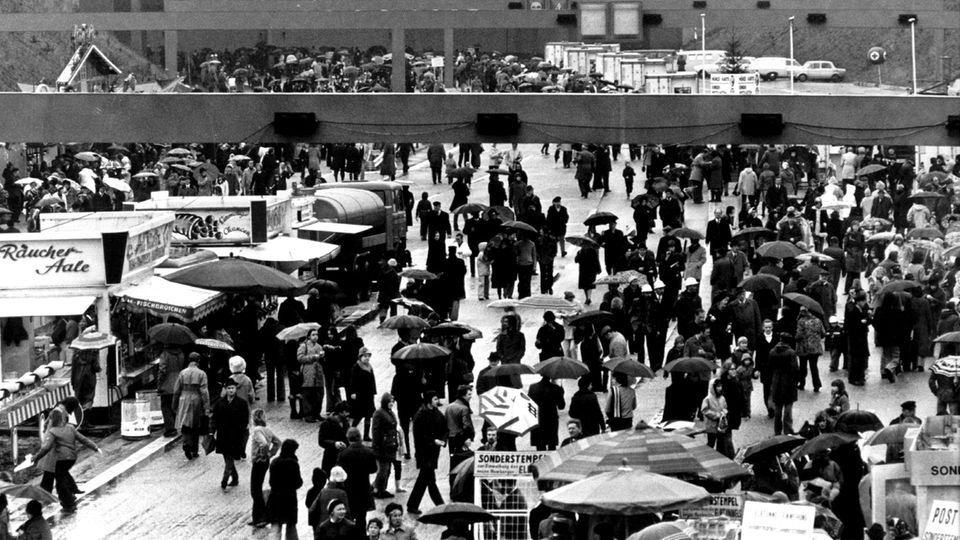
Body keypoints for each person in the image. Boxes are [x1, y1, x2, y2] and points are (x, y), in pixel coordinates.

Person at [33, 411, 100, 513]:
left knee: (60, 483)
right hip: (72, 458)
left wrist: (36, 457)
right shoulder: (70, 427)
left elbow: (46, 448)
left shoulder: (52, 431)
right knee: (62, 477)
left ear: (52, 420)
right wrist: (95, 447)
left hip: (61, 458)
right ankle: (71, 494)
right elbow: (83, 439)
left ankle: (69, 504)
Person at [407, 391, 447, 514]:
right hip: (424, 454)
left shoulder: (437, 413)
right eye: (435, 399)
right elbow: (418, 437)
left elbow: (444, 428)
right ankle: (440, 506)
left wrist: (443, 440)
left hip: (433, 452)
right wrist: (433, 441)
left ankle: (412, 504)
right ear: (429, 400)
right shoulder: (420, 415)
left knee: (424, 480)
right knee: (430, 480)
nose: (437, 401)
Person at [211, 378, 250, 490]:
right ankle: (235, 478)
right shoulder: (220, 403)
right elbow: (214, 419)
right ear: (225, 389)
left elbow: (244, 419)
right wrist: (211, 432)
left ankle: (225, 478)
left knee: (230, 457)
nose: (231, 390)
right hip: (223, 435)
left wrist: (241, 433)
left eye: (233, 388)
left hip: (235, 435)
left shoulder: (241, 403)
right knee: (226, 456)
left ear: (236, 389)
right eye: (229, 388)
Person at [173, 352, 211, 460]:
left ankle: (186, 442)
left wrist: (174, 404)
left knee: (185, 424)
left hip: (183, 398)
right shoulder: (202, 374)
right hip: (196, 399)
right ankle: (194, 450)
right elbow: (204, 391)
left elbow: (176, 390)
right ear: (198, 361)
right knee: (195, 425)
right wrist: (207, 406)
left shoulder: (182, 373)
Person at [338, 427, 377, 526]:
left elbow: (340, 473)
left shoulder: (343, 454)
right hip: (363, 488)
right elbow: (374, 469)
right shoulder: (368, 452)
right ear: (359, 437)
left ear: (348, 438)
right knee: (361, 518)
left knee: (350, 517)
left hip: (349, 489)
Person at [249, 409, 281, 528]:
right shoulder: (267, 430)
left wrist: (263, 455)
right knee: (257, 487)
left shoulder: (257, 430)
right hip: (265, 462)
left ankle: (261, 516)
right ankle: (256, 517)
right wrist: (271, 454)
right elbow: (277, 442)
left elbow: (264, 444)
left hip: (258, 462)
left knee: (255, 489)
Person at [267, 439, 304, 540]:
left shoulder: (274, 462)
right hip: (289, 499)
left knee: (275, 527)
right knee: (291, 527)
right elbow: (298, 482)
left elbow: (271, 482)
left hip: (275, 498)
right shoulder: (293, 463)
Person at [769, 333, 800, 435]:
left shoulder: (773, 351)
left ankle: (777, 430)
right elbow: (794, 368)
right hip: (788, 381)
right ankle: (787, 429)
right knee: (788, 406)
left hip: (776, 380)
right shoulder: (791, 353)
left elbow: (770, 366)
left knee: (778, 406)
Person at [371, 393, 401, 499]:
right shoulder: (379, 413)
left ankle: (380, 488)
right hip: (382, 446)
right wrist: (376, 446)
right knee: (383, 470)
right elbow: (375, 431)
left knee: (387, 470)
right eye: (389, 402)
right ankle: (378, 490)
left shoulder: (390, 412)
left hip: (390, 446)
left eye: (392, 402)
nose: (391, 404)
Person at [528, 375, 565, 451]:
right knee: (552, 446)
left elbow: (529, 404)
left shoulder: (533, 387)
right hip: (551, 420)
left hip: (537, 419)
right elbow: (561, 406)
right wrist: (561, 392)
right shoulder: (555, 388)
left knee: (540, 447)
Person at [297, 329, 326, 423]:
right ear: (309, 336)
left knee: (319, 394)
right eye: (313, 334)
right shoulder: (304, 346)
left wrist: (322, 357)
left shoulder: (319, 346)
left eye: (317, 334)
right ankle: (308, 415)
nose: (315, 336)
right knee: (308, 394)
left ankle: (316, 413)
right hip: (308, 373)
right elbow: (300, 358)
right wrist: (314, 357)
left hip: (318, 373)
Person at [795, 307, 826, 392]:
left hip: (803, 348)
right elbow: (823, 333)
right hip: (815, 348)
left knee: (802, 367)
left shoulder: (801, 321)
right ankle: (817, 385)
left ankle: (802, 384)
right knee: (814, 367)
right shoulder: (817, 320)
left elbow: (798, 335)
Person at [157, 344, 185, 437]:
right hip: (179, 382)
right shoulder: (181, 353)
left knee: (165, 406)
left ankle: (170, 429)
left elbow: (162, 370)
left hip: (167, 384)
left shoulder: (164, 354)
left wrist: (159, 383)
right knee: (174, 405)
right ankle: (176, 425)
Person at [701, 378, 732, 457]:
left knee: (721, 444)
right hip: (711, 426)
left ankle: (719, 456)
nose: (719, 388)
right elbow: (704, 410)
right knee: (711, 443)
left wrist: (724, 412)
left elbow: (725, 407)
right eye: (718, 386)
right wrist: (716, 415)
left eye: (720, 386)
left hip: (720, 426)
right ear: (713, 387)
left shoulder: (722, 398)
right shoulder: (708, 399)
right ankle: (706, 456)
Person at [318, 402, 350, 474]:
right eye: (346, 412)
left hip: (342, 458)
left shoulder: (345, 422)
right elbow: (321, 441)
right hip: (330, 457)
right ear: (340, 412)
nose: (347, 415)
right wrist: (334, 444)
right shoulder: (326, 424)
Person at [445, 384, 475, 456]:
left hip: (451, 438)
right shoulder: (464, 408)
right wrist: (468, 437)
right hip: (461, 438)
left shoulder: (449, 406)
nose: (471, 396)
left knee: (453, 458)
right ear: (463, 395)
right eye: (469, 394)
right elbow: (466, 425)